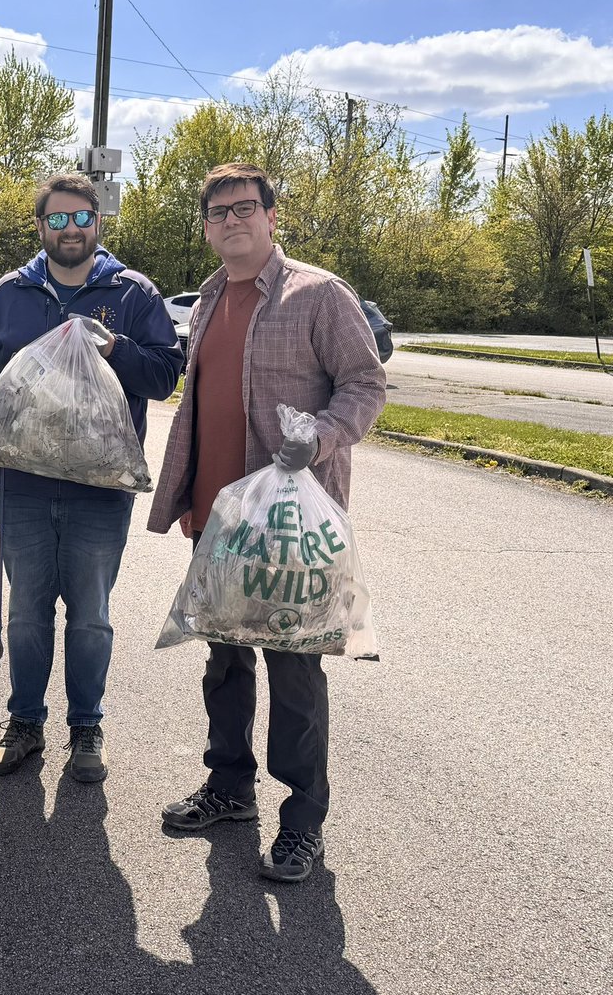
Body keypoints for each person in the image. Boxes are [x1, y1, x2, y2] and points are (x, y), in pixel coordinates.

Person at [147, 162, 386, 882]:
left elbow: (366, 384)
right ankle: (229, 787)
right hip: (219, 520)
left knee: (295, 675)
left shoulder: (319, 295)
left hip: (287, 534)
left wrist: (320, 434)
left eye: (244, 208)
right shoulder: (211, 296)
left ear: (271, 217)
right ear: (208, 225)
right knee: (223, 661)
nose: (231, 221)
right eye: (218, 212)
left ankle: (303, 821)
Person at [0, 173, 183, 784]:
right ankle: (25, 723)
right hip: (23, 482)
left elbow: (165, 374)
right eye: (57, 220)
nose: (71, 229)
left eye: (81, 217)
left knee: (90, 614)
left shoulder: (132, 293)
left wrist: (115, 350)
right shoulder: (10, 294)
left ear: (98, 222)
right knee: (28, 612)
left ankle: (86, 727)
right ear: (40, 227)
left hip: (100, 487)